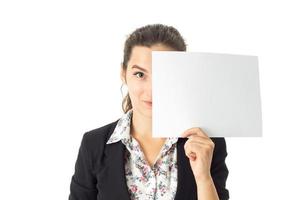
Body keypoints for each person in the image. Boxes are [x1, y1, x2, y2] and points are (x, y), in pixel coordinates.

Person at [69, 24, 229, 200]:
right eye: (140, 74)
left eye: (165, 75)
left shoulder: (206, 143)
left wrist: (203, 177)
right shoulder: (94, 144)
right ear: (123, 74)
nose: (152, 91)